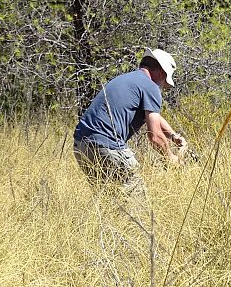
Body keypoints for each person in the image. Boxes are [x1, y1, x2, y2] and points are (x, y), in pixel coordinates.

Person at [72, 48, 187, 200]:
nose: (164, 86)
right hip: (108, 146)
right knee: (138, 207)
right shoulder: (150, 86)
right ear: (161, 72)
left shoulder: (128, 79)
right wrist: (171, 158)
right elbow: (155, 137)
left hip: (81, 145)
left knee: (108, 203)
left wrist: (173, 136)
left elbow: (154, 116)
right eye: (165, 81)